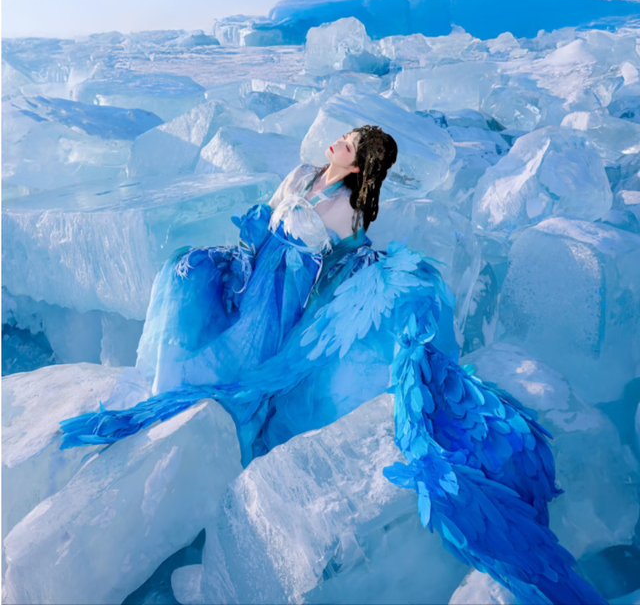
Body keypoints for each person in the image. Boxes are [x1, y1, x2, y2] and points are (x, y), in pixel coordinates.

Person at [60, 125, 606, 605]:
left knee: (254, 374)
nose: (334, 142)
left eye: (346, 141)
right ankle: (174, 402)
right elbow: (273, 217)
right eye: (340, 136)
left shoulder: (350, 206)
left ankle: (215, 425)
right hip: (256, 269)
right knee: (185, 275)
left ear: (360, 159)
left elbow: (337, 258)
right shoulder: (304, 173)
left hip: (284, 292)